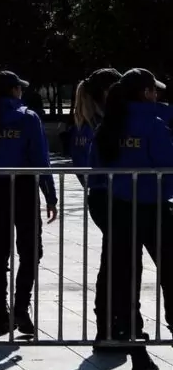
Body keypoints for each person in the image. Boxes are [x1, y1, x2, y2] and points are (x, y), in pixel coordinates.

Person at [90, 68, 173, 370]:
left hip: (119, 210)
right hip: (153, 209)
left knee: (125, 280)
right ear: (146, 93)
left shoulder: (107, 127)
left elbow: (96, 169)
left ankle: (138, 355)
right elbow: (168, 167)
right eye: (155, 90)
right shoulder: (153, 125)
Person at [0, 71, 57, 336]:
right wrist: (50, 195)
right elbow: (41, 159)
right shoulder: (27, 118)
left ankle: (0, 314)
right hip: (25, 189)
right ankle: (21, 308)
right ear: (15, 90)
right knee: (31, 252)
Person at [70, 67, 140, 351]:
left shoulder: (84, 122)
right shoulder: (101, 122)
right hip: (111, 196)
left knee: (115, 259)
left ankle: (113, 324)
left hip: (101, 195)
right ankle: (117, 324)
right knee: (119, 261)